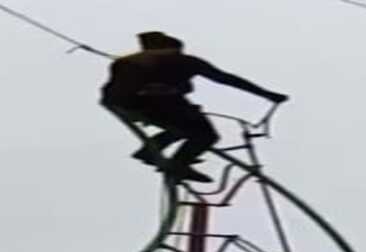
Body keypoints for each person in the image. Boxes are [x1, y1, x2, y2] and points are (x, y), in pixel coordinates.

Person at [101, 31, 289, 183]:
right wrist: (267, 94)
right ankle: (178, 164)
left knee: (182, 127)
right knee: (205, 134)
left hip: (123, 103)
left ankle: (151, 152)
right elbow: (225, 79)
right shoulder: (183, 61)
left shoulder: (134, 60)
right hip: (146, 103)